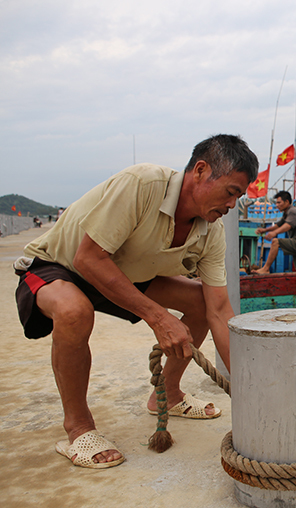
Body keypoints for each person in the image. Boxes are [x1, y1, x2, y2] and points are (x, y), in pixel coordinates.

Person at [13, 134, 258, 469]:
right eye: (230, 192)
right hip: (63, 265)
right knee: (74, 311)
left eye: (238, 198)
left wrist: (247, 388)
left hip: (124, 272)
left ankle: (167, 396)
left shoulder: (210, 231)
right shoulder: (141, 184)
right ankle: (79, 426)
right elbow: (89, 259)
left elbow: (219, 310)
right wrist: (159, 318)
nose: (232, 205)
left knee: (202, 302)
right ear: (200, 170)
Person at [253, 191, 296, 273]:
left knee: (275, 242)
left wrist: (275, 233)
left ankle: (265, 269)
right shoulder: (286, 213)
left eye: (279, 202)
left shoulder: (293, 211)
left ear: (287, 202)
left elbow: (288, 226)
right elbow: (278, 225)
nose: (277, 205)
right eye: (276, 203)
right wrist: (265, 230)